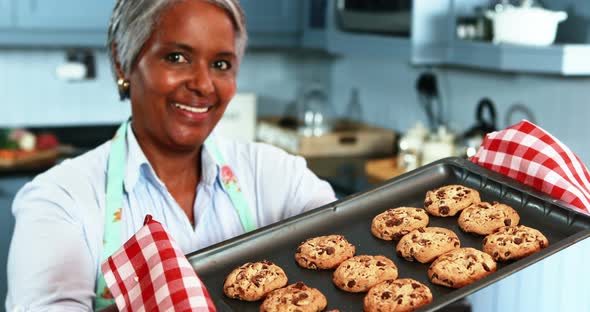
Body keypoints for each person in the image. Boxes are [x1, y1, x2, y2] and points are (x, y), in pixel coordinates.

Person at [5, 0, 336, 310]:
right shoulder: (61, 199)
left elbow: (340, 238)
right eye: (177, 57)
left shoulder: (278, 174)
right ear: (123, 61)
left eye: (221, 64)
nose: (204, 85)